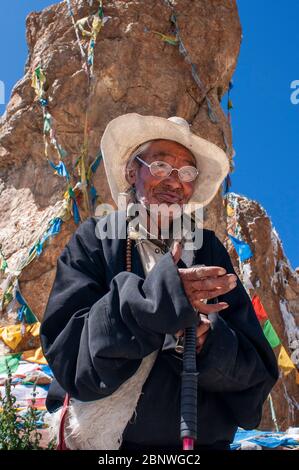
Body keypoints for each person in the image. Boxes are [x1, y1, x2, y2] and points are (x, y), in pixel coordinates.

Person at [40, 113, 278, 451]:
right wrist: (155, 302)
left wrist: (206, 344)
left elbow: (255, 376)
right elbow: (68, 354)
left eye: (187, 172)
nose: (174, 181)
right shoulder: (95, 238)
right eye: (160, 165)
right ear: (132, 171)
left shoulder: (209, 249)